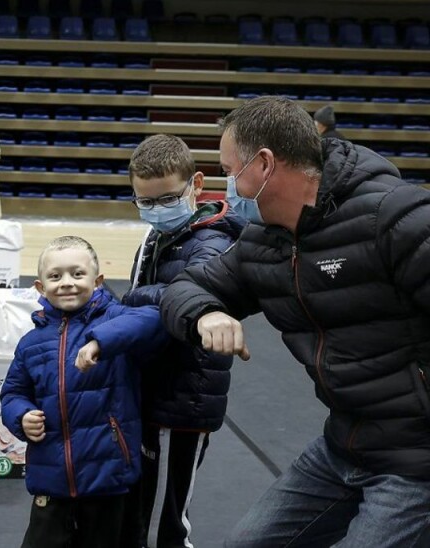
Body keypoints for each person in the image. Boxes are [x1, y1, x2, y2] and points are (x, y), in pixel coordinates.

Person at [160, 96, 430, 547]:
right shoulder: (264, 242)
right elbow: (185, 288)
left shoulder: (397, 218)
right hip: (341, 444)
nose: (228, 186)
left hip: (417, 460)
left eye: (230, 171)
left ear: (264, 164)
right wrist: (205, 314)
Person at [1, 236, 167, 548]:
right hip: (51, 480)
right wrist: (21, 417)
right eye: (55, 276)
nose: (67, 283)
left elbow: (154, 319)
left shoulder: (116, 317)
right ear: (39, 287)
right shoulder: (31, 343)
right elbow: (12, 393)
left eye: (77, 274)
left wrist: (100, 341)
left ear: (98, 281)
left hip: (109, 478)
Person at [120, 135, 246, 548]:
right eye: (145, 202)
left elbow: (183, 293)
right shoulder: (158, 235)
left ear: (196, 182)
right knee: (141, 500)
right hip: (151, 382)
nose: (156, 212)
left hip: (189, 390)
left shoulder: (214, 239)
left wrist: (127, 301)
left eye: (166, 199)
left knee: (171, 520)